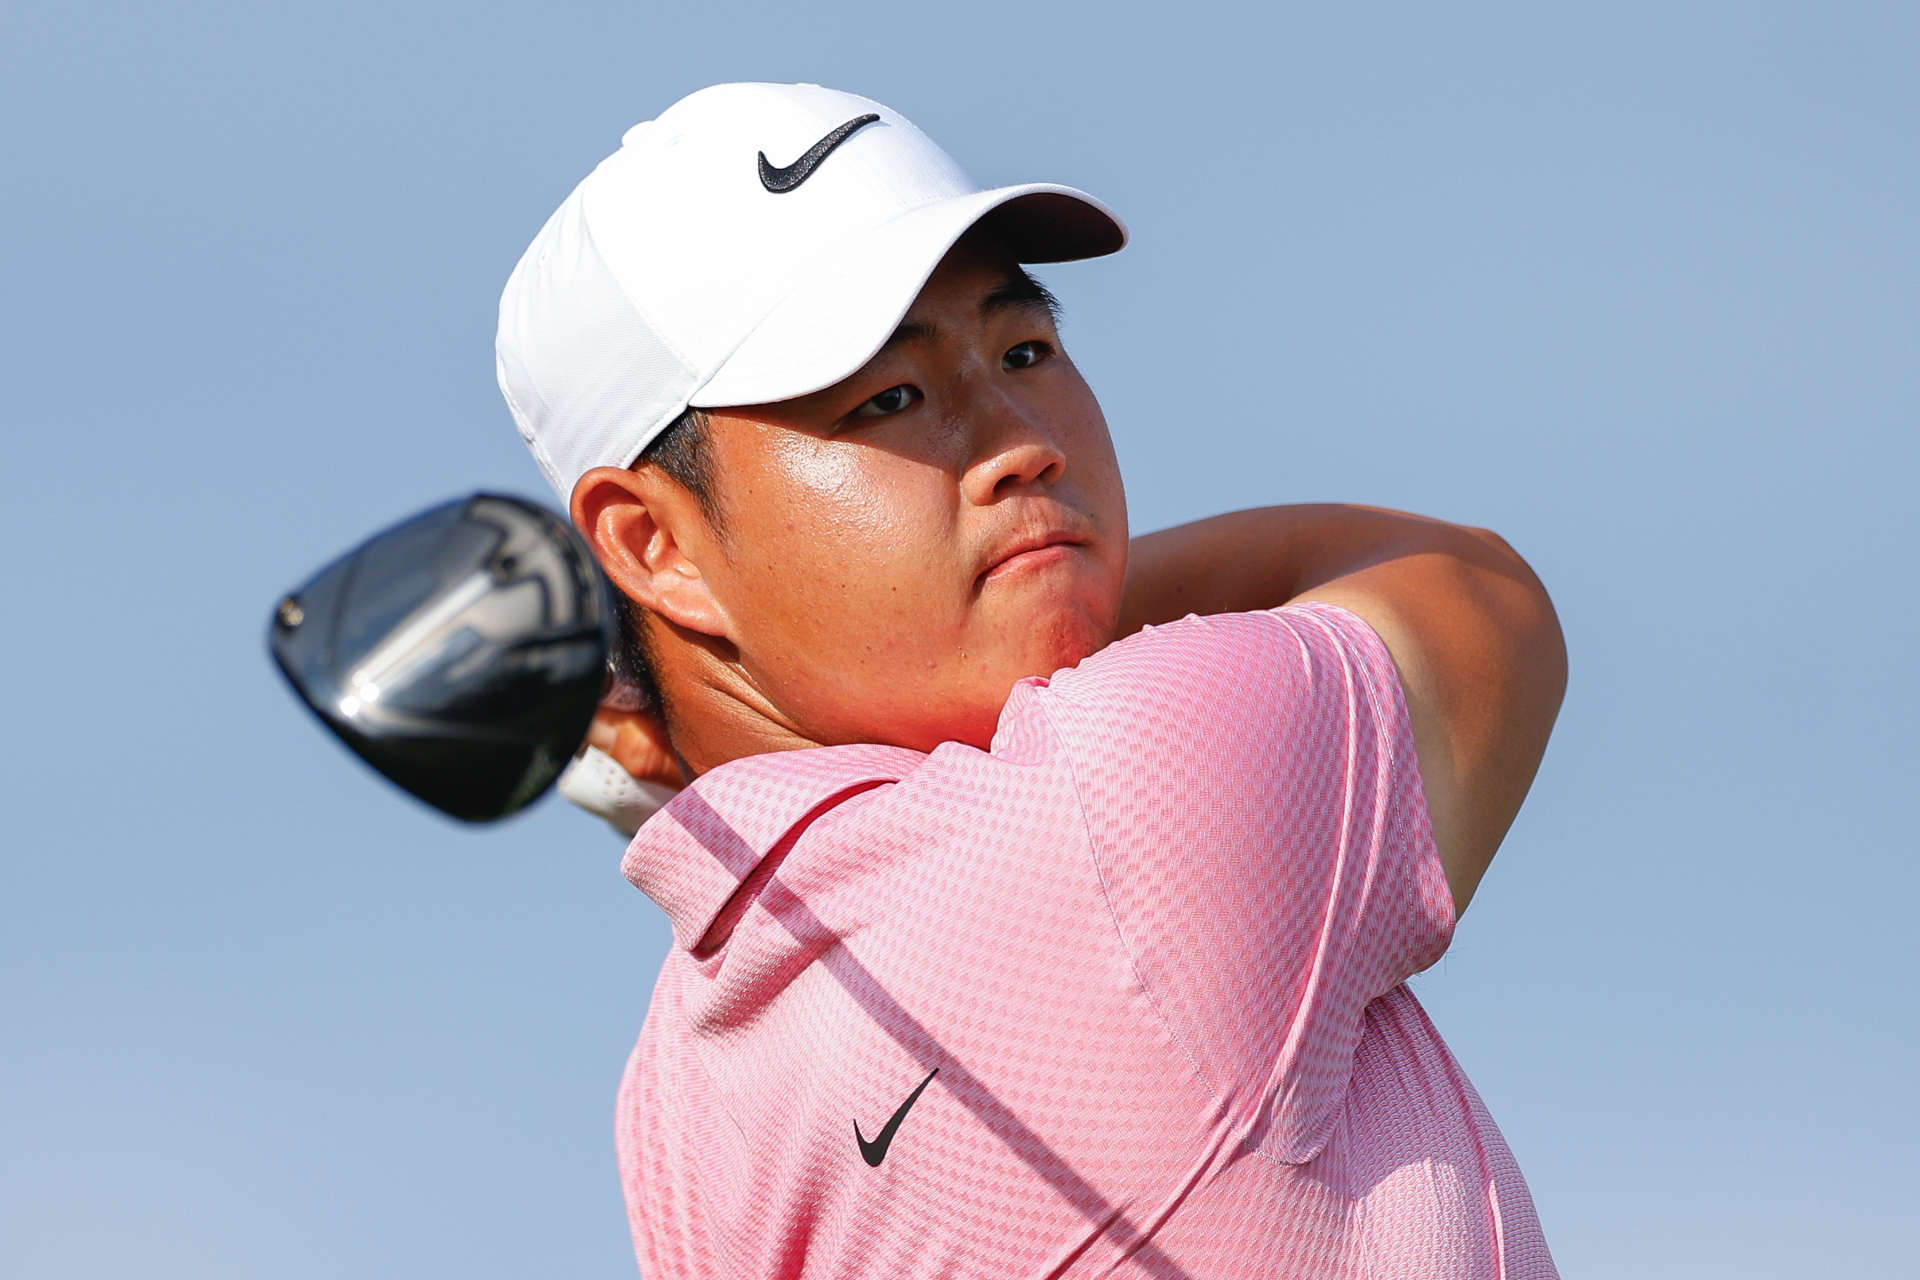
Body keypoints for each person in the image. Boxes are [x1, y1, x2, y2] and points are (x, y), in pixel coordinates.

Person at [497, 82, 1567, 1279]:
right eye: (889, 396)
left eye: (1025, 349)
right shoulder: (1134, 792)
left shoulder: (685, 1098)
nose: (1022, 440)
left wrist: (698, 698)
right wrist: (1061, 588)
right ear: (657, 546)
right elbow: (1471, 593)